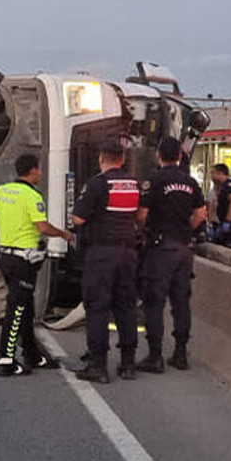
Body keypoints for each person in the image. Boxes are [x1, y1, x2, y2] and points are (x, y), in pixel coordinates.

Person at [0, 154, 76, 377]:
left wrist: (1, 230)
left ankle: (32, 354)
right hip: (24, 261)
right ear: (32, 171)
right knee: (16, 310)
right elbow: (42, 227)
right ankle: (6, 360)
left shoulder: (3, 191)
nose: (41, 173)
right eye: (40, 169)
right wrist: (64, 234)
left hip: (6, 257)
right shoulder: (32, 196)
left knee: (26, 308)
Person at [71, 139, 140, 384]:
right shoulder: (133, 184)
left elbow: (78, 218)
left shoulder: (97, 184)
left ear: (101, 159)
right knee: (126, 307)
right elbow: (140, 215)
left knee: (98, 307)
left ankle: (98, 364)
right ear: (122, 159)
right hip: (128, 254)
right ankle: (129, 363)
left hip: (102, 254)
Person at [137, 137, 207, 373]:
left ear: (159, 156)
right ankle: (180, 353)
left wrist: (146, 229)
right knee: (181, 303)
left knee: (154, 303)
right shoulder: (190, 182)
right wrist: (185, 226)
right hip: (184, 249)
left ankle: (155, 356)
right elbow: (200, 214)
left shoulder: (155, 181)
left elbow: (142, 215)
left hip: (161, 249)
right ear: (179, 156)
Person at [207, 164, 231, 246]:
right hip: (223, 224)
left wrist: (227, 221)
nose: (211, 176)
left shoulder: (230, 185)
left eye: (213, 173)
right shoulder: (221, 187)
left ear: (220, 173)